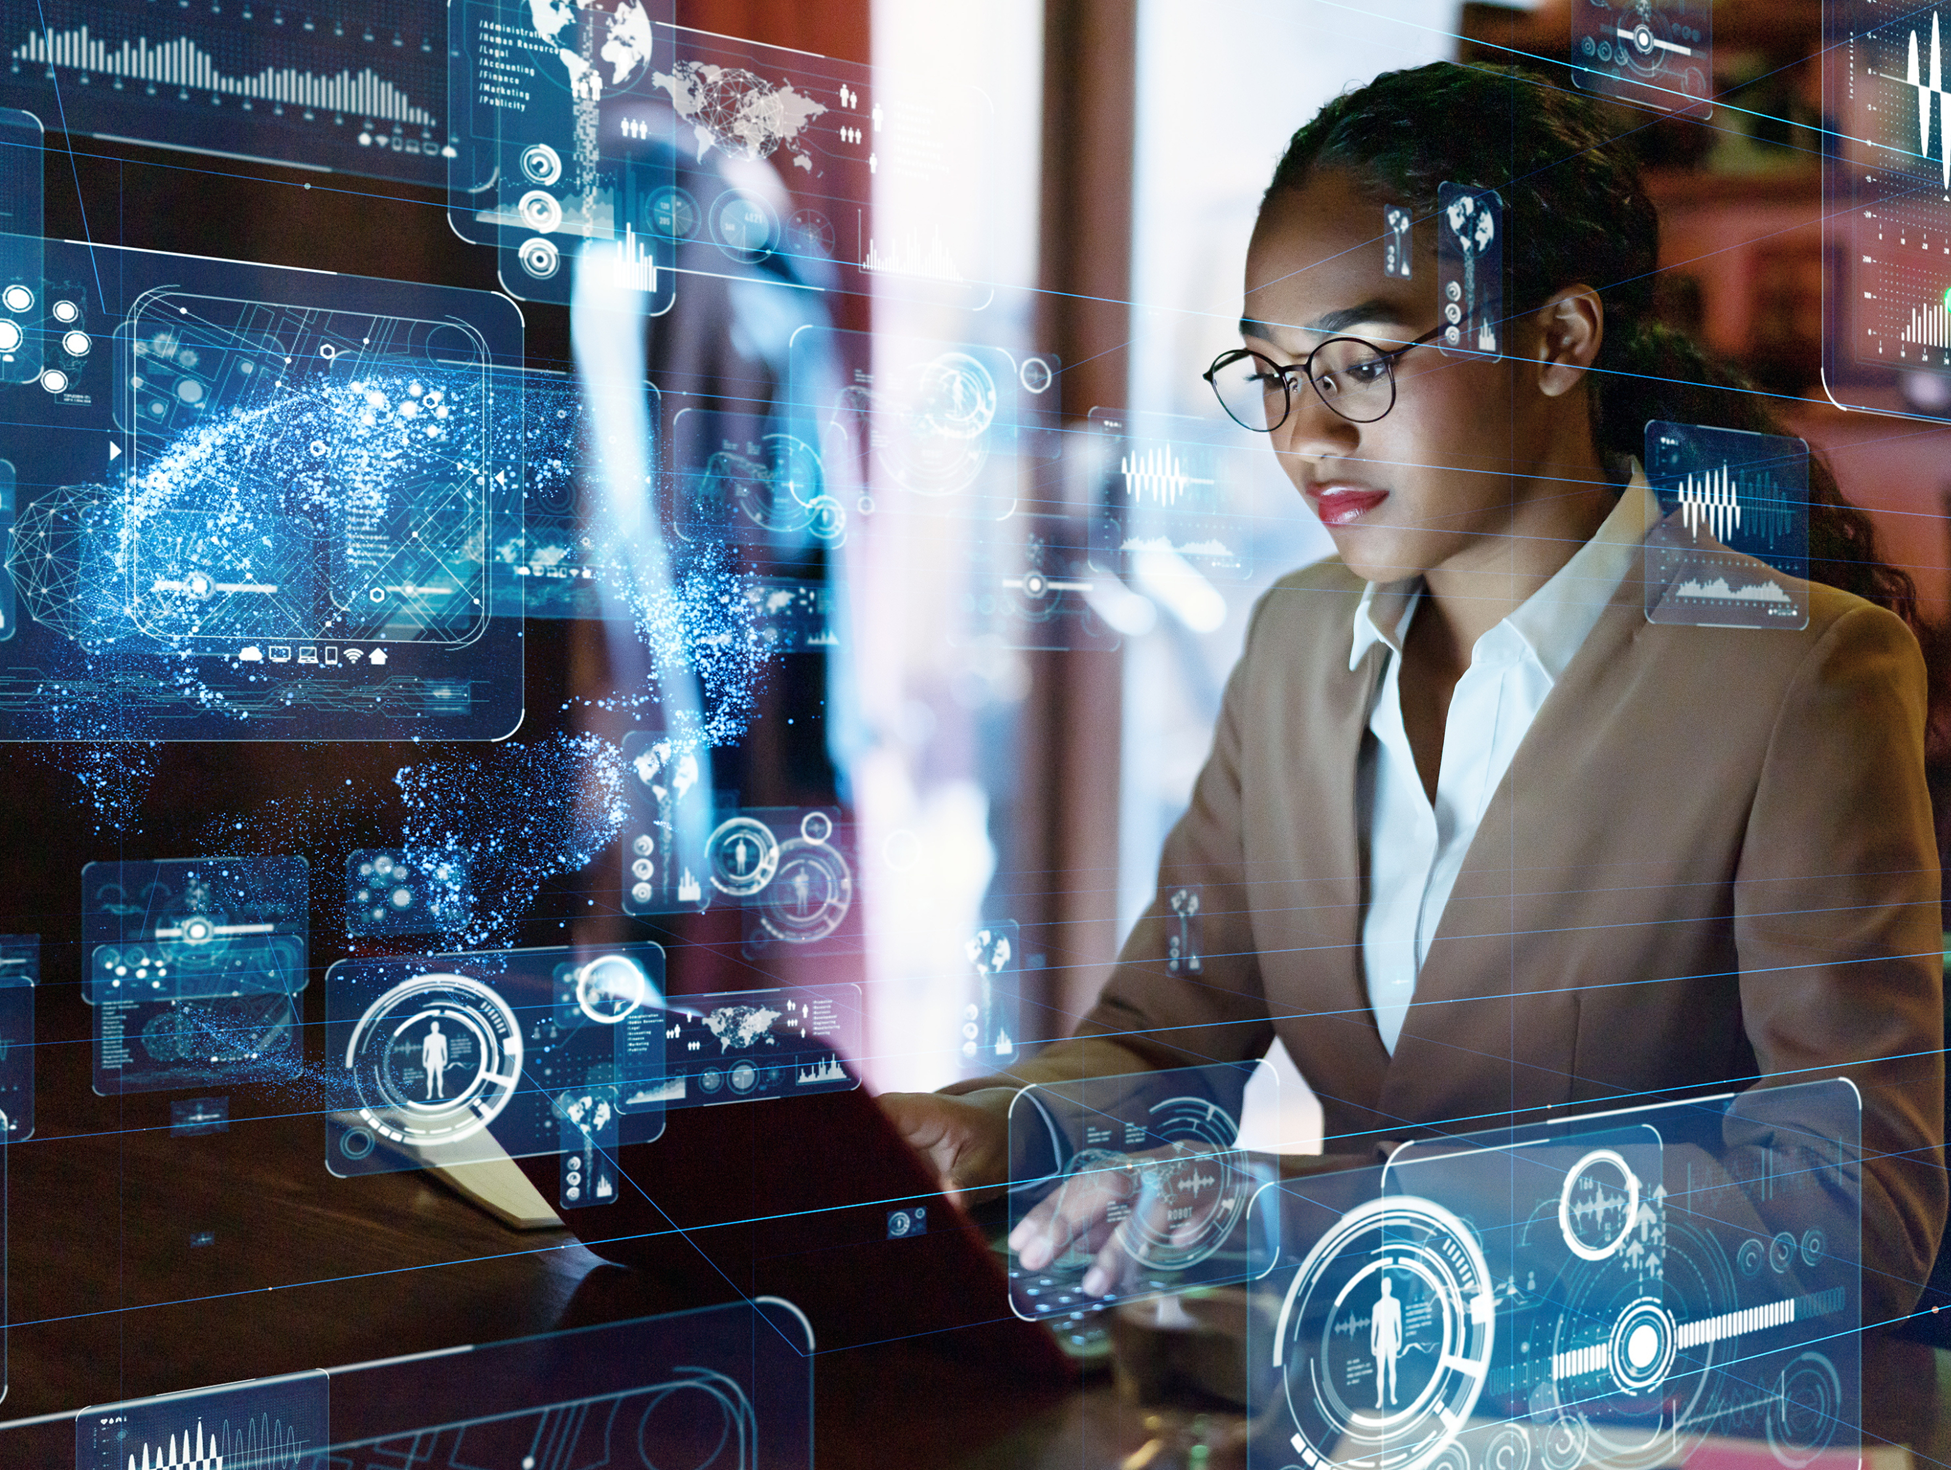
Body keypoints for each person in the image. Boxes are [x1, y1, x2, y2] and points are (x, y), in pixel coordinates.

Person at [880, 61, 1946, 1334]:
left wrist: (1309, 1214)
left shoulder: (1798, 677)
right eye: (1272, 373)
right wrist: (988, 1126)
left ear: (1557, 342)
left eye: (1363, 363)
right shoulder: (1294, 644)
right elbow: (1169, 1037)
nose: (1305, 435)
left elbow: (1848, 1217)